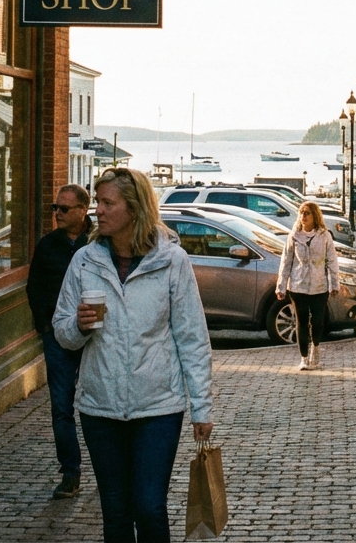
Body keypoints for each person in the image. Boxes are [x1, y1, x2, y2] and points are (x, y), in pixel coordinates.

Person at [54, 168, 214, 542]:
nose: (97, 211)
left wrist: (202, 407)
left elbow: (192, 337)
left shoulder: (171, 261)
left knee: (149, 506)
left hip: (158, 408)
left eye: (108, 203)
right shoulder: (84, 261)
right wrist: (77, 325)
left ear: (135, 208)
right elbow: (62, 332)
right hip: (101, 407)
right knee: (115, 509)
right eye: (97, 202)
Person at [26, 183, 94, 499]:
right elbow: (34, 286)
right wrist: (43, 324)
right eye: (55, 208)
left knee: (99, 406)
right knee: (61, 407)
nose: (57, 214)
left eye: (64, 209)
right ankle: (70, 473)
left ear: (83, 210)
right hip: (57, 335)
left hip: (96, 336)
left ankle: (111, 469)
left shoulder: (98, 243)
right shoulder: (47, 245)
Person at [276, 200, 340, 370]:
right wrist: (281, 286)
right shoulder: (294, 236)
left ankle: (316, 348)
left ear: (314, 216)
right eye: (301, 213)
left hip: (319, 286)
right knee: (301, 322)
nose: (303, 216)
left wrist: (334, 284)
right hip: (298, 286)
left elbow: (332, 261)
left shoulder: (324, 235)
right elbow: (286, 262)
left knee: (318, 321)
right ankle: (304, 357)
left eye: (307, 213)